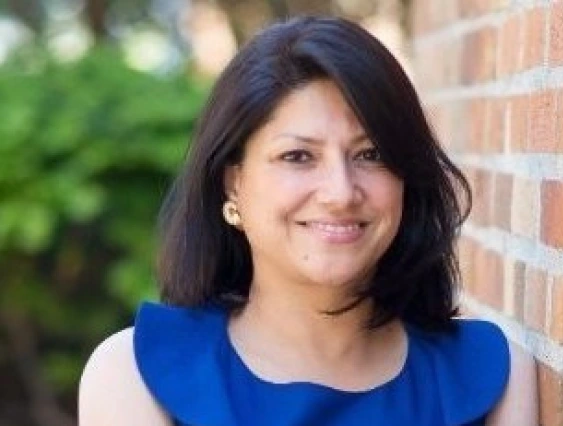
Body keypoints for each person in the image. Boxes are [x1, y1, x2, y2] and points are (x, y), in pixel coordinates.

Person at [78, 16, 537, 425]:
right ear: (232, 184)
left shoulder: (491, 376)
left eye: (370, 154)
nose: (340, 192)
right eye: (298, 156)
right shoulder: (134, 376)